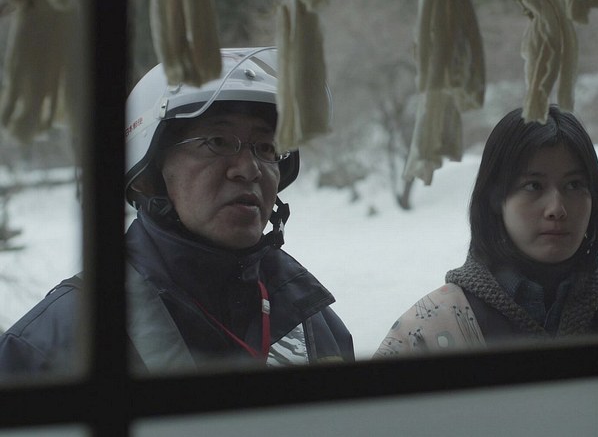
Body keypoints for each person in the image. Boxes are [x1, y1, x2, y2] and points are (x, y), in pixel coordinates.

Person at [0, 47, 353, 374]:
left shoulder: (315, 326)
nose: (249, 169)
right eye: (217, 142)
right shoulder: (53, 344)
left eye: (266, 148)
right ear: (148, 177)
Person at [375, 105, 598, 357]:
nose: (557, 209)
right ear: (496, 199)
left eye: (575, 185)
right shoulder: (428, 329)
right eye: (533, 186)